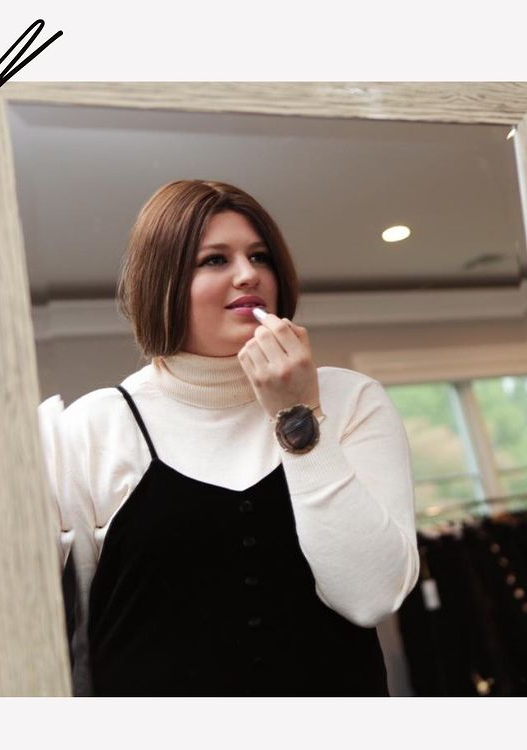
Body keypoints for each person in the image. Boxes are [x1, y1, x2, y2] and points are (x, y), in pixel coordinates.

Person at [38, 179, 420, 697]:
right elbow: (71, 639)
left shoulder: (350, 400)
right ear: (162, 282)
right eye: (215, 260)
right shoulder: (92, 427)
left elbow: (370, 596)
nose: (248, 275)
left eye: (260, 257)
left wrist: (298, 414)